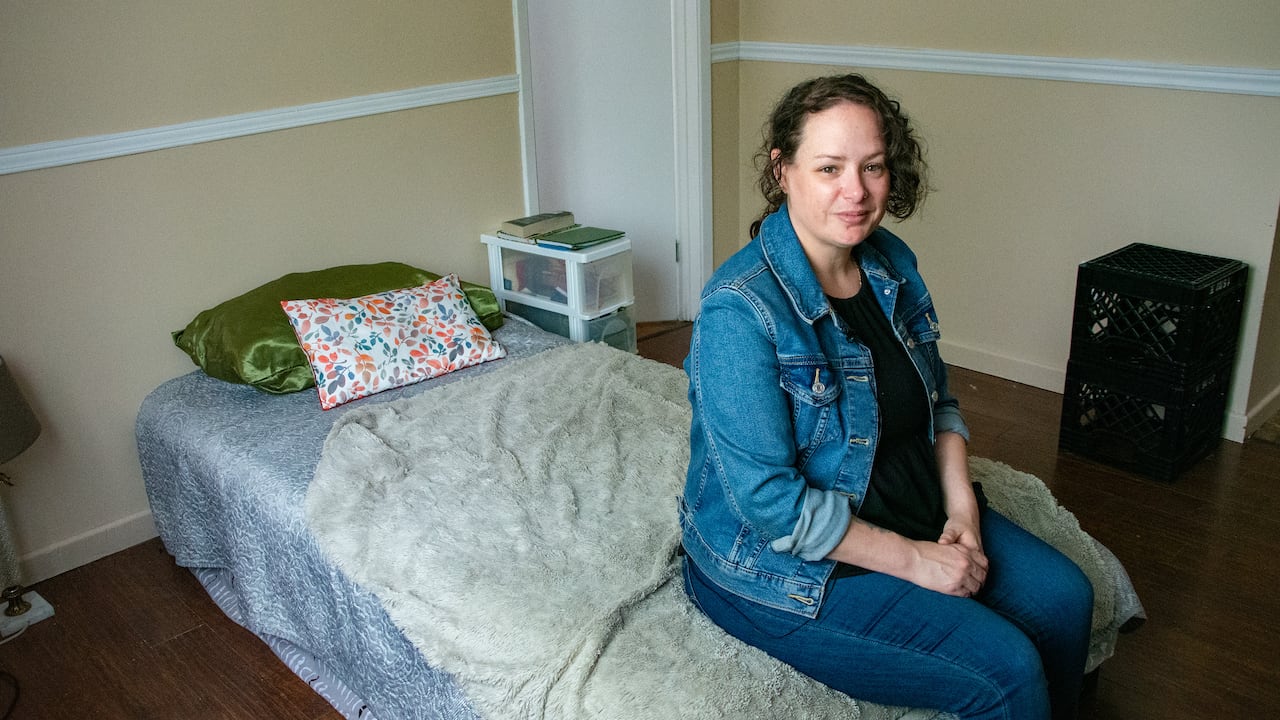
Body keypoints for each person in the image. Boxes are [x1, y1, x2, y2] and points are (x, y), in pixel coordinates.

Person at [678, 73, 1094, 720]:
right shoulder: (740, 311)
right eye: (829, 168)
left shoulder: (890, 262)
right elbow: (773, 509)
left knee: (1067, 599)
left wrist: (962, 510)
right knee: (1006, 670)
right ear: (782, 170)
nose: (856, 192)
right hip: (781, 566)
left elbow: (940, 402)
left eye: (873, 167)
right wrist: (919, 563)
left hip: (909, 503)